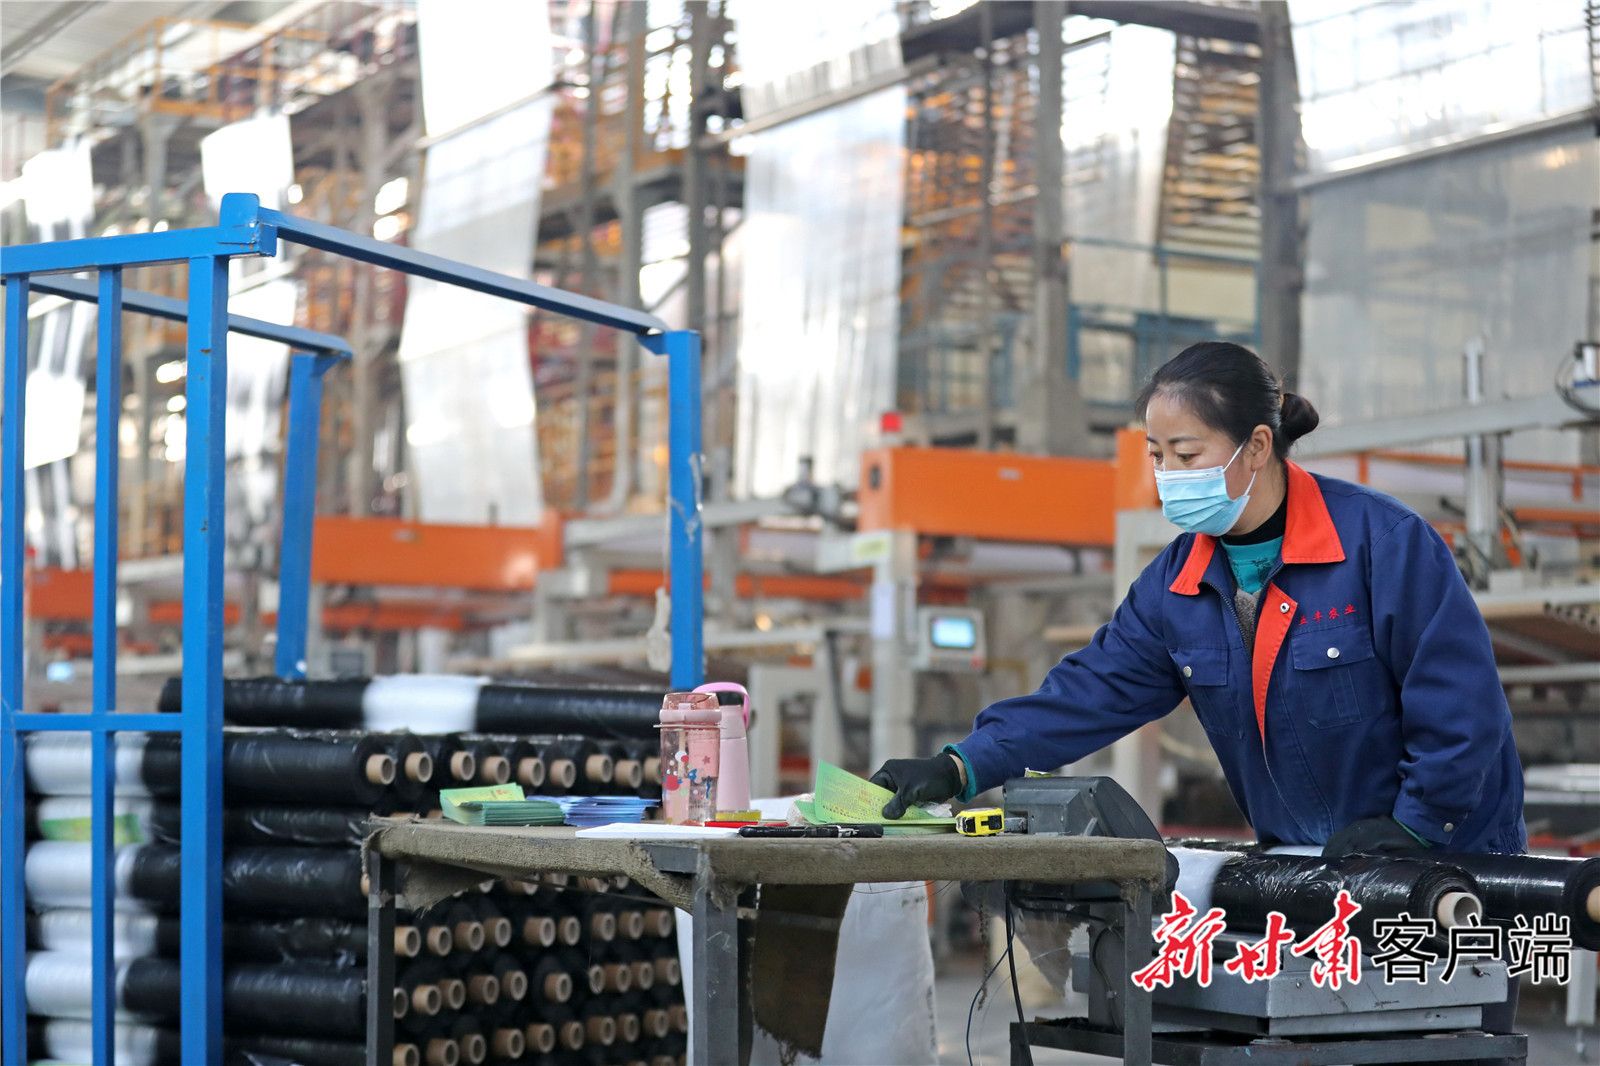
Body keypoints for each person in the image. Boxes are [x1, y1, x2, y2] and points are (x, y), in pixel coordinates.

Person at [871, 341, 1527, 1041]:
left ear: (1258, 446)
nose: (1167, 477)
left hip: (1447, 873)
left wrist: (1417, 824)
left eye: (1186, 455)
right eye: (1156, 456)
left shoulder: (1383, 545)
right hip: (1315, 876)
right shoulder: (1177, 585)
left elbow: (1461, 707)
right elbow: (1090, 690)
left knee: (1443, 1048)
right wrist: (962, 765)